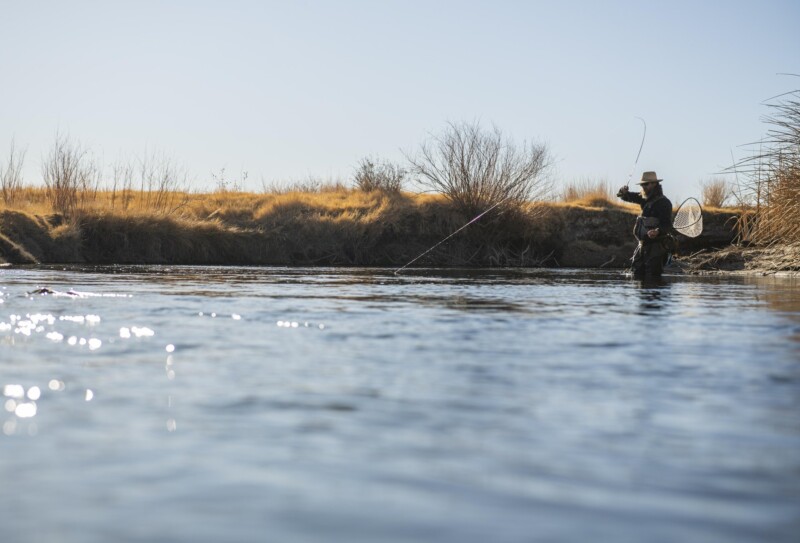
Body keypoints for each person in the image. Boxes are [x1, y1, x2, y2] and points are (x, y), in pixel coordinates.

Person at [617, 171, 674, 278]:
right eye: (642, 184)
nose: (643, 187)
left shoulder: (664, 203)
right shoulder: (644, 199)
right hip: (642, 246)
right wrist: (622, 191)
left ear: (655, 184)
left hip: (656, 248)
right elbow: (623, 196)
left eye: (646, 184)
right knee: (636, 274)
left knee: (653, 276)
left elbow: (666, 224)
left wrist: (657, 231)